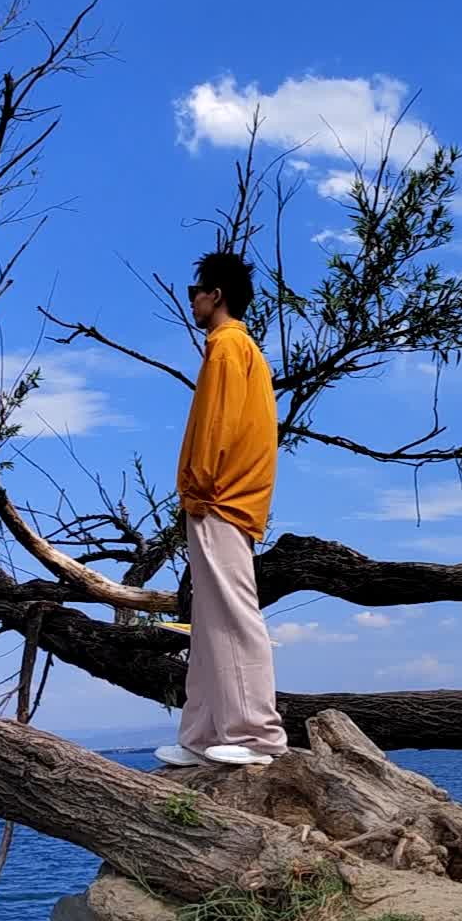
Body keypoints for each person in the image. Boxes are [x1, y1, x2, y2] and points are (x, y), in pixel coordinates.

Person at [154, 251, 289, 769]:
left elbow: (218, 427)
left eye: (197, 290)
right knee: (209, 622)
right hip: (220, 498)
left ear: (217, 295)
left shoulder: (229, 347)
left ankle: (257, 736)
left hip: (219, 499)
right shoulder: (235, 348)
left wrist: (198, 486)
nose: (191, 298)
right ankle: (202, 733)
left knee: (233, 616)